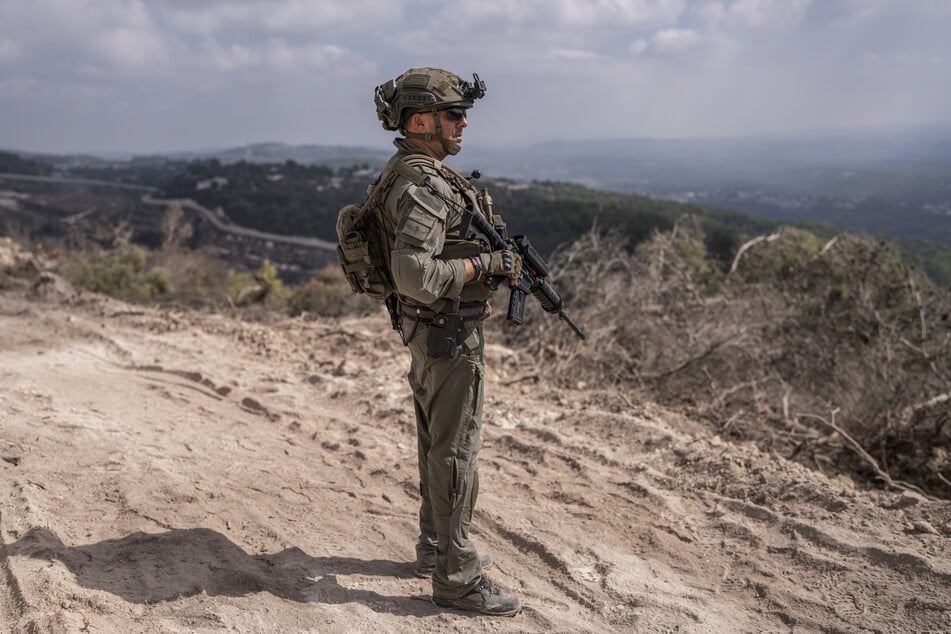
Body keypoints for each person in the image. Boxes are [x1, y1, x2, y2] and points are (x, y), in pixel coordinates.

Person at [372, 67, 522, 616]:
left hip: (428, 329)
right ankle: (457, 577)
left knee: (438, 441)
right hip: (448, 332)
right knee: (455, 450)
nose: (463, 123)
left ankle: (436, 546)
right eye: (454, 113)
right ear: (419, 121)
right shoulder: (424, 186)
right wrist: (486, 264)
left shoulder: (410, 173)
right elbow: (414, 273)